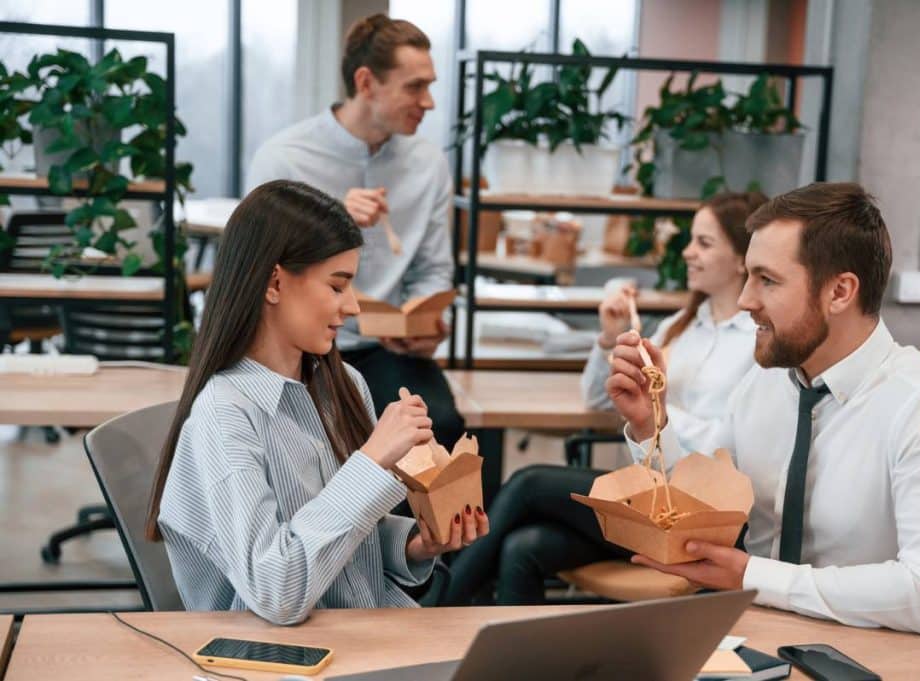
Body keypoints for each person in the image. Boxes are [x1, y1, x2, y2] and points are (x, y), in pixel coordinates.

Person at [609, 182, 920, 636]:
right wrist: (652, 424)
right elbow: (701, 508)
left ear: (840, 292)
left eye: (767, 280)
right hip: (753, 637)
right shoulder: (764, 384)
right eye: (748, 276)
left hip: (871, 653)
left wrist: (754, 576)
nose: (746, 300)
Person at [146, 181, 488, 625]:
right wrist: (370, 461)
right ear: (274, 283)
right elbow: (276, 592)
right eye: (337, 285)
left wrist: (414, 545)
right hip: (279, 658)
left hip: (359, 637)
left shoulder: (342, 384)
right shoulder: (224, 415)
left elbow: (343, 540)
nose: (352, 307)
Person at [443, 191, 766, 605]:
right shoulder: (678, 328)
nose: (687, 253)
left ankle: (433, 607)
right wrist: (609, 340)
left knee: (529, 484)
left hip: (697, 514)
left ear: (743, 259)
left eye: (704, 243)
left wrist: (659, 414)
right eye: (690, 240)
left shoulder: (757, 346)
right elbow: (599, 400)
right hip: (646, 502)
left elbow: (728, 448)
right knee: (523, 547)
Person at [245, 14, 464, 450]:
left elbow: (433, 271)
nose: (429, 102)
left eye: (430, 85)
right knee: (309, 446)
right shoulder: (284, 158)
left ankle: (418, 524)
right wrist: (327, 222)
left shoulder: (429, 165)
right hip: (300, 349)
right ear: (366, 82)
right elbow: (253, 273)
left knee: (441, 427)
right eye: (415, 87)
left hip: (387, 351)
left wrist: (428, 322)